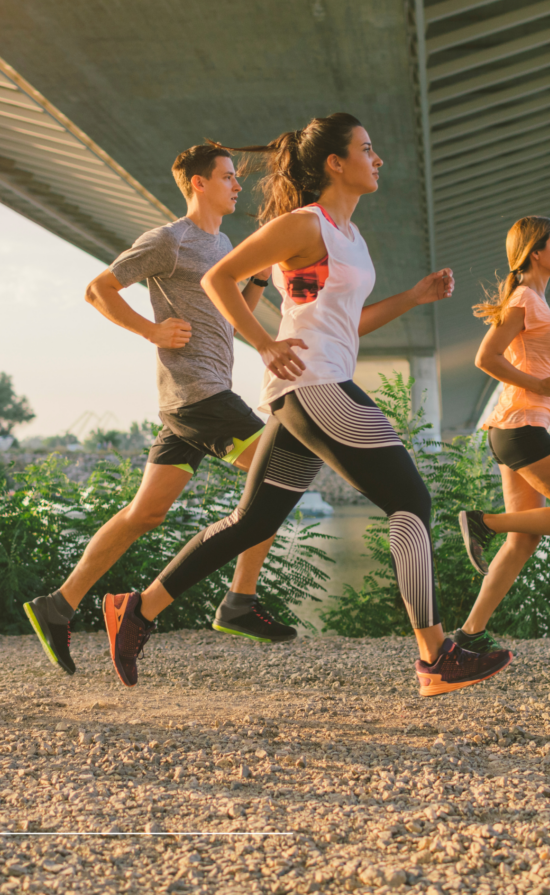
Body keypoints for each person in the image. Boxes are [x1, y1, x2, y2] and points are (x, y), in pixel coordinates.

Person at [100, 112, 515, 697]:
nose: (378, 159)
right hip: (314, 385)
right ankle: (435, 656)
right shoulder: (305, 224)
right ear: (334, 163)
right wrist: (266, 343)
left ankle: (137, 610)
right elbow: (221, 278)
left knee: (254, 521)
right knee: (410, 499)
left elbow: (351, 322)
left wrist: (415, 297)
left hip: (316, 383)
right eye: (367, 150)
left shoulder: (350, 237)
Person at [25, 143, 296, 680]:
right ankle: (239, 601)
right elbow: (98, 288)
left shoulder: (221, 242)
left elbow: (231, 308)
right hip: (198, 396)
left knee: (144, 515)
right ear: (198, 183)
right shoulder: (168, 241)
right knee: (282, 475)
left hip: (193, 399)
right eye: (227, 176)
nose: (237, 184)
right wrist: (150, 330)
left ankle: (57, 605)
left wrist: (259, 278)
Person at [450, 217, 550, 655]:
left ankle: (469, 635)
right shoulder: (525, 298)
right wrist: (539, 387)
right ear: (535, 252)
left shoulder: (535, 301)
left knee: (524, 540)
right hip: (521, 428)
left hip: (513, 430)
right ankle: (482, 522)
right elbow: (486, 357)